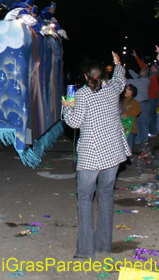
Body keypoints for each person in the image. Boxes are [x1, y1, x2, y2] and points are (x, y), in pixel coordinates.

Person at [62, 52, 130, 259]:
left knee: (84, 199)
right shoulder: (112, 89)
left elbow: (74, 123)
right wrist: (118, 63)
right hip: (112, 153)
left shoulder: (82, 94)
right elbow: (120, 79)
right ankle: (104, 245)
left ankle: (85, 251)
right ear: (102, 76)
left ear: (86, 76)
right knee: (106, 196)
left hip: (91, 155)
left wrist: (67, 108)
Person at [126, 63, 151, 146]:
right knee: (143, 122)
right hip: (146, 103)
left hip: (139, 103)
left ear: (143, 72)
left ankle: (137, 140)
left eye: (141, 70)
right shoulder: (146, 80)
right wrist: (130, 70)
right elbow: (136, 76)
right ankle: (145, 140)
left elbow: (128, 81)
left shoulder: (139, 81)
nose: (139, 71)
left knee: (136, 122)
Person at [120, 84, 141, 153]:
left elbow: (138, 110)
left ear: (131, 92)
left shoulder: (133, 102)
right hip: (122, 128)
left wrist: (127, 113)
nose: (125, 89)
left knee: (128, 147)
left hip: (131, 129)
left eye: (127, 88)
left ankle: (128, 161)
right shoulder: (122, 101)